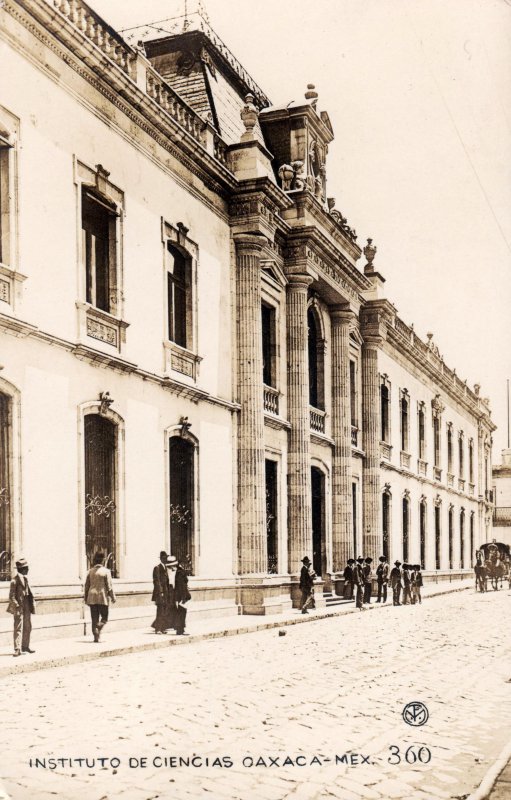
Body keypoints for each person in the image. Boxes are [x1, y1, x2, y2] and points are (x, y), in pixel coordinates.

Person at [84, 552, 116, 643]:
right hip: (102, 597)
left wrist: (86, 598)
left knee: (94, 618)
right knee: (104, 618)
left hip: (91, 597)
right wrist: (113, 597)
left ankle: (96, 637)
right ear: (103, 560)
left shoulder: (90, 571)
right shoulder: (106, 571)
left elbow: (86, 586)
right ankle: (98, 627)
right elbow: (109, 586)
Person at [7, 557, 36, 657]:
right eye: (26, 568)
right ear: (22, 569)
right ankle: (17, 648)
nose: (28, 569)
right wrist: (17, 605)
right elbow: (11, 596)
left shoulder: (26, 579)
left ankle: (25, 646)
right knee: (18, 627)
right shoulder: (14, 581)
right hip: (19, 606)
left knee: (28, 626)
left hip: (27, 605)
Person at [151, 550, 171, 634]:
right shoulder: (157, 568)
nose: (166, 559)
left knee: (164, 611)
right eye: (164, 558)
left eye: (166, 558)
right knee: (160, 611)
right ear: (161, 559)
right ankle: (158, 629)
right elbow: (157, 582)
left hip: (165, 593)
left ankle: (162, 628)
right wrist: (161, 592)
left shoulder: (165, 567)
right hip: (160, 594)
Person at [174, 558, 191, 635]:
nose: (187, 565)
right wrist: (183, 597)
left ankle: (180, 629)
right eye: (186, 563)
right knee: (182, 612)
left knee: (181, 611)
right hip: (181, 596)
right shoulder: (181, 572)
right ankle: (180, 630)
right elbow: (181, 586)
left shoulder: (179, 572)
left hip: (181, 595)